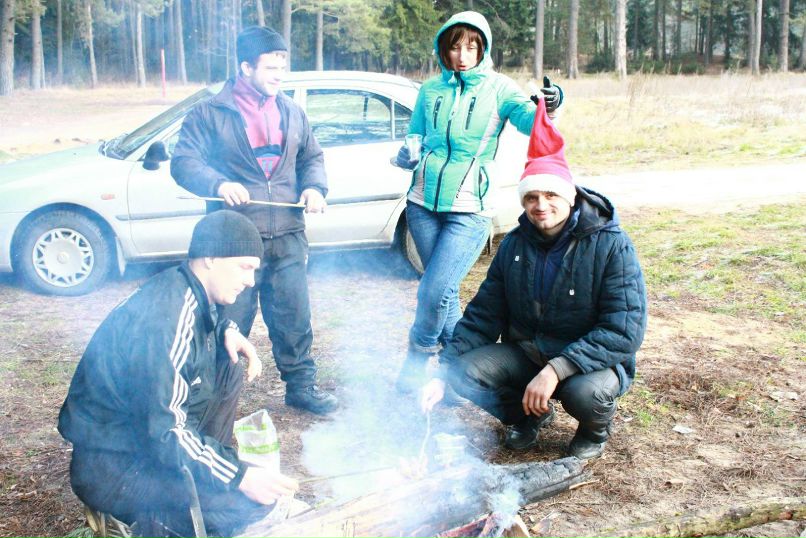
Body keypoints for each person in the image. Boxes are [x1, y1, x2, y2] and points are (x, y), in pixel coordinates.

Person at [419, 98, 647, 460]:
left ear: (569, 197)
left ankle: (594, 431)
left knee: (584, 394)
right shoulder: (514, 245)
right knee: (462, 373)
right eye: (532, 197)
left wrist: (557, 369)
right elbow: (484, 314)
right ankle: (528, 417)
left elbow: (624, 329)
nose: (541, 205)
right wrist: (442, 371)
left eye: (551, 194)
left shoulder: (610, 244)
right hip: (530, 351)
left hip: (589, 361)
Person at [58, 210, 300, 537]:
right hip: (115, 468)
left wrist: (226, 329)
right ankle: (158, 521)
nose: (250, 281)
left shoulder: (185, 286)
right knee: (247, 503)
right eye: (244, 267)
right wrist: (238, 475)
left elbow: (201, 327)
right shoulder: (166, 321)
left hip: (142, 441)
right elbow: (165, 431)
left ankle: (202, 471)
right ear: (211, 258)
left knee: (228, 365)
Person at [392, 11, 565, 395]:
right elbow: (415, 136)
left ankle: (417, 361)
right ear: (444, 49)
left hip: (469, 209)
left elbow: (531, 119)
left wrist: (550, 105)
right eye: (455, 47)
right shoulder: (430, 91)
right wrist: (406, 154)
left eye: (471, 47)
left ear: (483, 49)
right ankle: (461, 377)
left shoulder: (499, 88)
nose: (463, 55)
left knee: (432, 291)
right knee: (445, 292)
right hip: (422, 204)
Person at [171, 26, 338, 415]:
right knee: (229, 320)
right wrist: (218, 182)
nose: (279, 75)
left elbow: (311, 157)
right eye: (270, 68)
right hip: (235, 240)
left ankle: (301, 387)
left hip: (288, 233)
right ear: (245, 67)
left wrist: (315, 188)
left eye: (282, 67)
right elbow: (183, 162)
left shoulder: (291, 111)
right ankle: (216, 395)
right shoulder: (210, 113)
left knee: (294, 317)